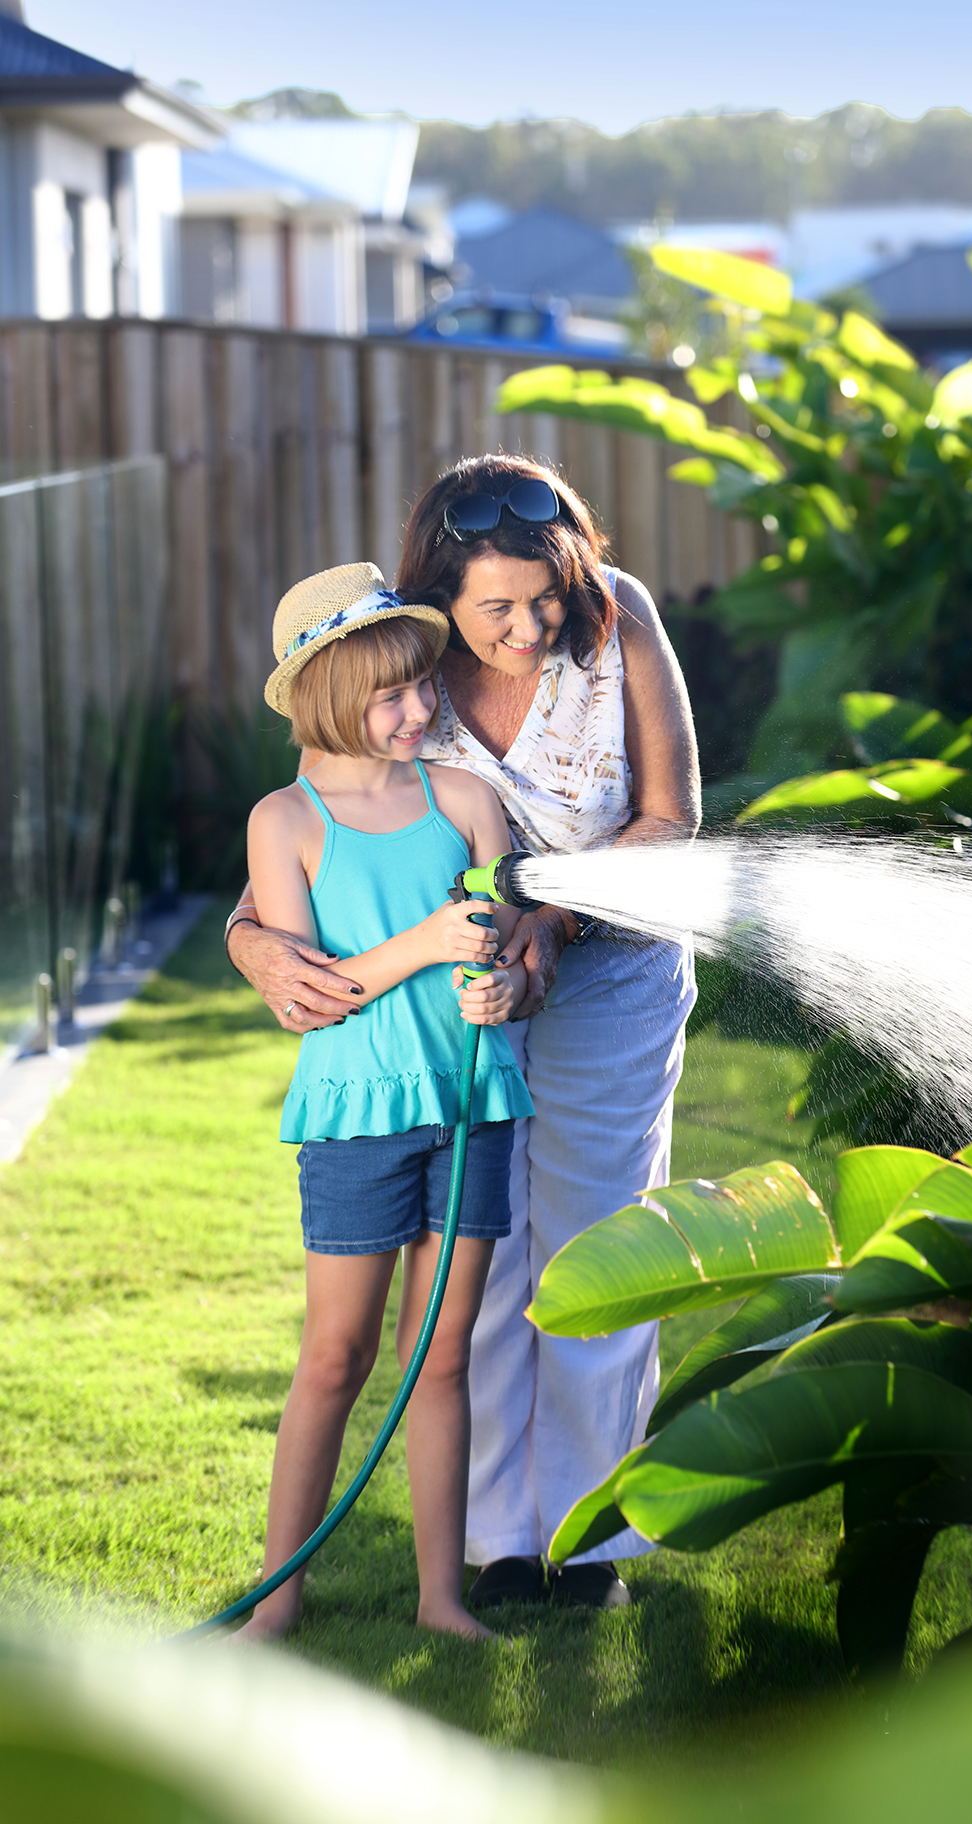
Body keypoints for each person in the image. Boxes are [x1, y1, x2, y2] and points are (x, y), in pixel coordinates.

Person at [227, 457, 700, 1610]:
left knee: (598, 1251)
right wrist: (252, 938)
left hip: (612, 975)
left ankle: (589, 1546)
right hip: (455, 1003)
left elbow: (671, 819)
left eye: (546, 596)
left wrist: (549, 922)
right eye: (496, 608)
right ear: (440, 593)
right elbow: (310, 831)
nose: (530, 626)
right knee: (481, 1271)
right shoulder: (390, 659)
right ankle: (491, 1543)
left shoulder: (615, 618)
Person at [235, 561, 533, 1642]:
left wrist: (503, 981)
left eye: (421, 684)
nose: (418, 709)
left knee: (442, 1357)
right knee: (334, 1358)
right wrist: (426, 946)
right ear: (324, 696)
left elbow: (500, 950)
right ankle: (277, 1604)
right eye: (388, 692)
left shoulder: (466, 802)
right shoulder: (286, 822)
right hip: (356, 1113)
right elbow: (317, 997)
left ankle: (441, 1600)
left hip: (473, 1104)